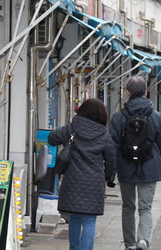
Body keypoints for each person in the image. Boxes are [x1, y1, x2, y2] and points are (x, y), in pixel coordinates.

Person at [109, 76, 161, 250]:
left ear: (128, 92)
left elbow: (113, 146)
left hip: (126, 168)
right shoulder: (156, 115)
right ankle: (143, 241)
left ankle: (129, 244)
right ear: (145, 92)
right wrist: (159, 161)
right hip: (149, 167)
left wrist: (110, 173)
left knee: (128, 207)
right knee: (145, 207)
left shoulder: (118, 116)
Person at [48, 98, 116, 250]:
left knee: (75, 218)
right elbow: (111, 158)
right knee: (89, 221)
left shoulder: (72, 128)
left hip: (72, 181)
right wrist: (107, 177)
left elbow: (52, 138)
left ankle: (74, 248)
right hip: (94, 182)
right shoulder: (104, 134)